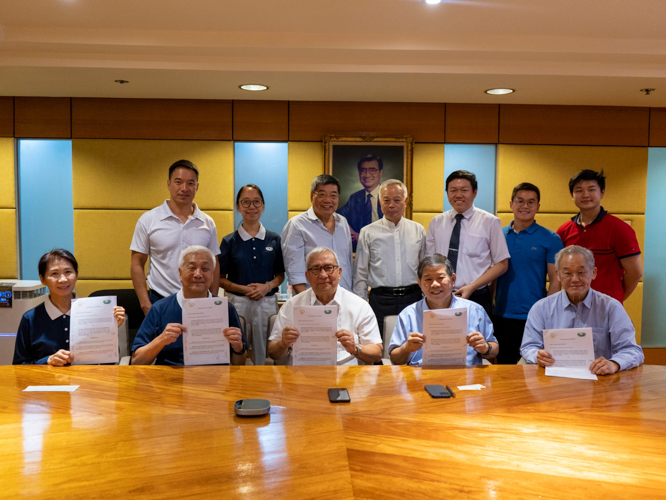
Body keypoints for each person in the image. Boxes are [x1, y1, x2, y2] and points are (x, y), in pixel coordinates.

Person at [521, 245, 644, 375]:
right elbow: (529, 347)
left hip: (600, 381)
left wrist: (614, 364)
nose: (575, 279)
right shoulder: (541, 308)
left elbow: (632, 350)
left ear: (593, 273)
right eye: (567, 273)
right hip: (554, 378)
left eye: (581, 272)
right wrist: (537, 356)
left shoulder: (611, 307)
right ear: (558, 275)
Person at [130, 159, 221, 316]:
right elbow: (137, 263)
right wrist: (145, 304)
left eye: (190, 183)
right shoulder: (148, 219)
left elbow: (214, 264)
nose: (184, 188)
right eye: (178, 182)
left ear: (197, 186)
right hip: (160, 300)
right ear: (168, 183)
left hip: (199, 302)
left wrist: (212, 300)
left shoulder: (207, 222)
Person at [131, 246, 247, 366]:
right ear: (180, 273)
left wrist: (238, 348)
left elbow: (240, 363)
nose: (198, 274)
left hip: (216, 378)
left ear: (213, 275)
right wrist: (161, 340)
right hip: (171, 380)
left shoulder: (226, 309)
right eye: (191, 268)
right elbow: (136, 362)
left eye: (205, 269)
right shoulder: (159, 309)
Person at [267, 247, 382, 365]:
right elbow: (273, 353)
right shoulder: (292, 305)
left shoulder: (359, 306)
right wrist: (283, 344)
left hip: (345, 377)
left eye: (329, 268)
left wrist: (355, 348)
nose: (323, 275)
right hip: (301, 376)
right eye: (315, 269)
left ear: (339, 273)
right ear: (307, 276)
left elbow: (377, 353)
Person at [13, 249, 125, 365]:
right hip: (48, 382)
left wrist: (109, 329)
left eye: (68, 272)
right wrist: (47, 360)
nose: (63, 279)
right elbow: (19, 366)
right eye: (54, 273)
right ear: (43, 279)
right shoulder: (30, 319)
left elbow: (109, 362)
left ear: (76, 275)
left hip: (90, 380)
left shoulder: (95, 312)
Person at [493, 183, 564, 364]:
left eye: (531, 202)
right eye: (520, 201)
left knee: (534, 368)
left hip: (534, 316)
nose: (525, 206)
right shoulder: (498, 235)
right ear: (511, 204)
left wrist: (548, 313)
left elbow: (556, 280)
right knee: (504, 368)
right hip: (501, 315)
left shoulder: (551, 239)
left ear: (538, 207)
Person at [425, 170, 510, 317]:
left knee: (476, 339)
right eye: (453, 190)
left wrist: (472, 287)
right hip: (440, 295)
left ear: (474, 192)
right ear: (447, 193)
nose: (458, 195)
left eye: (464, 190)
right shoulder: (436, 222)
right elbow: (430, 262)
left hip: (476, 295)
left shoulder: (490, 222)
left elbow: (502, 264)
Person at [389, 254, 498, 366]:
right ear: (420, 283)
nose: (435, 284)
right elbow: (395, 359)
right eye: (428, 279)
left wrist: (485, 347)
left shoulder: (475, 310)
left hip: (466, 375)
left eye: (441, 278)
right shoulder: (408, 314)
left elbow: (494, 349)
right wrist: (406, 348)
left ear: (453, 279)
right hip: (420, 376)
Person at [218, 184, 285, 365]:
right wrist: (243, 289)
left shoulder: (274, 239)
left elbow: (280, 275)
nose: (251, 207)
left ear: (263, 206)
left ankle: (263, 388)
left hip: (266, 302)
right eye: (245, 202)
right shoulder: (229, 241)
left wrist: (267, 287)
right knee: (236, 349)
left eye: (256, 202)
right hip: (238, 304)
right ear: (238, 207)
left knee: (264, 352)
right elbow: (220, 279)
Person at [353, 179, 425, 338]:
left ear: (405, 201)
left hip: (412, 298)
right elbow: (360, 273)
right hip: (380, 300)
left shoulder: (418, 230)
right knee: (378, 346)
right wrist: (360, 306)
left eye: (397, 200)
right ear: (380, 202)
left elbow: (424, 270)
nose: (391, 205)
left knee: (413, 346)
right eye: (386, 200)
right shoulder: (368, 232)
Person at [556, 169, 642, 304]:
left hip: (606, 307)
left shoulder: (620, 229)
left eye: (591, 189)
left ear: (602, 192)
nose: (585, 195)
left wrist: (615, 299)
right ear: (572, 195)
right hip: (573, 306)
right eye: (579, 190)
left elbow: (635, 273)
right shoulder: (563, 231)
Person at [281, 175, 353, 293]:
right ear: (311, 196)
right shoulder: (297, 225)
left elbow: (348, 265)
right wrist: (307, 304)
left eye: (333, 195)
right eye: (322, 194)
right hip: (314, 299)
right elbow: (294, 271)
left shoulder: (343, 222)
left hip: (344, 298)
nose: (328, 200)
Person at [337, 154, 384, 251]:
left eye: (372, 170)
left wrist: (362, 237)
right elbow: (336, 216)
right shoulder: (354, 198)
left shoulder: (388, 197)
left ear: (380, 173)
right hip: (358, 251)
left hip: (384, 250)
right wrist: (350, 231)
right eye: (363, 170)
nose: (367, 175)